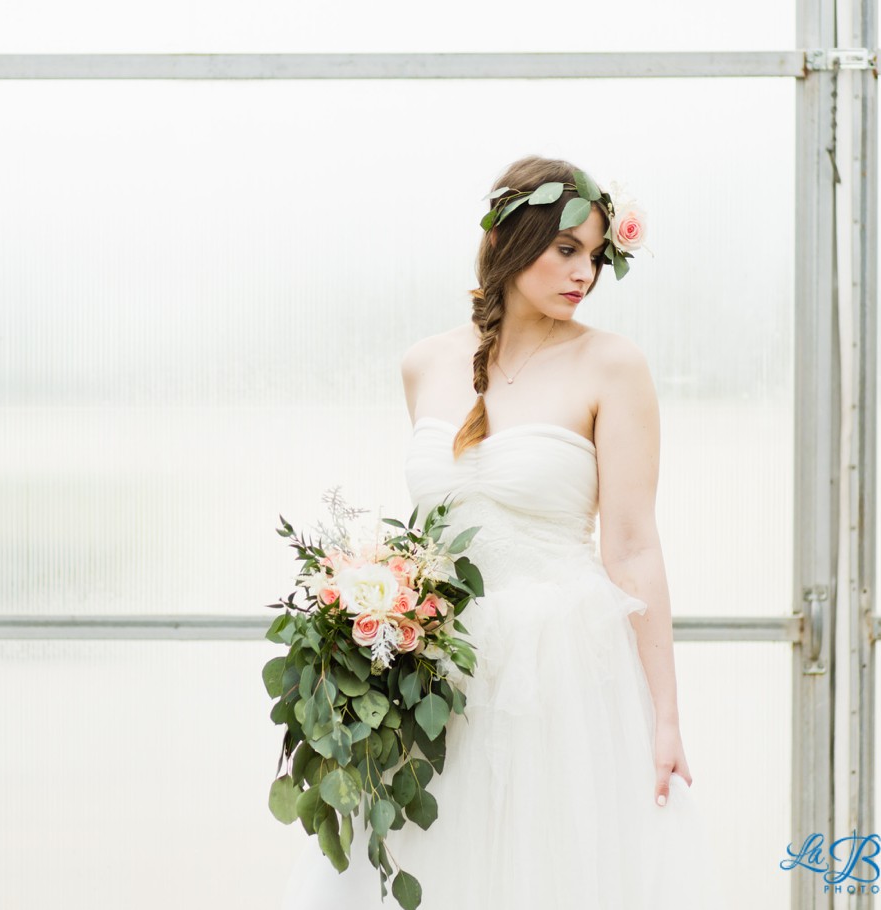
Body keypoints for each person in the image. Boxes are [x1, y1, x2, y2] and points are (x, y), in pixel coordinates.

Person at [281, 155, 722, 908]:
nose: (584, 272)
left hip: (561, 667)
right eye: (566, 249)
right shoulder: (425, 364)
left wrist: (665, 719)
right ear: (511, 240)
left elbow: (632, 546)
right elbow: (432, 528)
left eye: (596, 255)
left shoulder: (612, 366)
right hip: (434, 671)